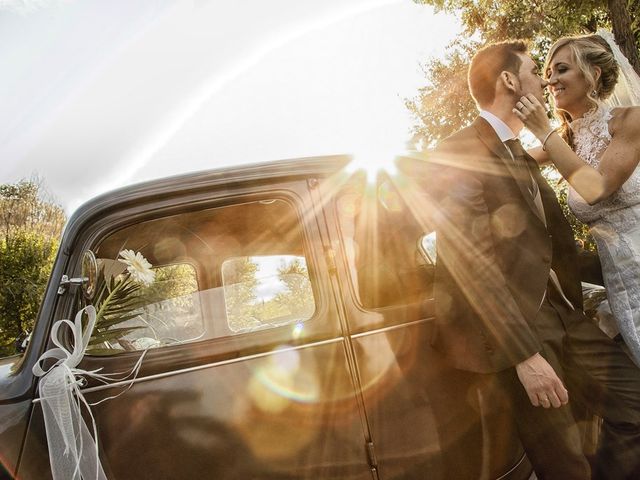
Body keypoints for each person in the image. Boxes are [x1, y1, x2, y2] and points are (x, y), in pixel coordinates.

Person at [428, 39, 640, 479]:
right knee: (564, 464)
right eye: (534, 71)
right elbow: (468, 262)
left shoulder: (520, 152)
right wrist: (523, 356)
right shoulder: (461, 149)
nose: (544, 82)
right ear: (508, 80)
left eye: (556, 71)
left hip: (564, 313)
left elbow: (544, 244)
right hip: (521, 329)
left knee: (634, 404)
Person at [515, 32, 640, 367]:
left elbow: (597, 188)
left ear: (593, 74)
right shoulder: (566, 140)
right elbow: (513, 158)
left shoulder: (630, 121)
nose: (551, 80)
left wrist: (544, 130)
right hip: (622, 283)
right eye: (548, 73)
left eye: (561, 70)